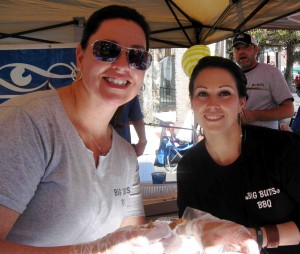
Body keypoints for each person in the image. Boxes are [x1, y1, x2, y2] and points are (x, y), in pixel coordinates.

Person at [0, 5, 175, 253]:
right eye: (108, 50)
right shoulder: (27, 123)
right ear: (80, 57)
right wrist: (89, 250)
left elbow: (131, 240)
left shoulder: (125, 156)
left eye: (137, 57)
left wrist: (194, 233)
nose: (123, 65)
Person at [177, 56, 300, 253]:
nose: (212, 104)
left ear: (242, 101)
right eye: (202, 94)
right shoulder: (189, 166)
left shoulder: (282, 149)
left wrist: (257, 236)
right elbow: (192, 231)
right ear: (192, 101)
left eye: (225, 93)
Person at [232, 33, 294, 130]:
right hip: (237, 138)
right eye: (237, 48)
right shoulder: (231, 75)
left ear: (256, 50)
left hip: (266, 139)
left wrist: (254, 115)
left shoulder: (271, 73)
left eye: (246, 47)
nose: (241, 52)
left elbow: (289, 110)